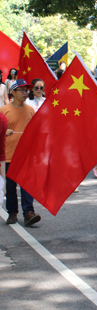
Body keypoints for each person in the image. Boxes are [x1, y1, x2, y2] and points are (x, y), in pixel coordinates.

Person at [0, 79, 40, 226]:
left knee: (27, 184)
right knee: (10, 186)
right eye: (22, 90)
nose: (25, 93)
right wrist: (4, 132)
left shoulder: (30, 110)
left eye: (26, 90)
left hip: (26, 155)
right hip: (9, 155)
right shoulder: (4, 111)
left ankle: (29, 212)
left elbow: (37, 132)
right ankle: (12, 213)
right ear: (13, 92)